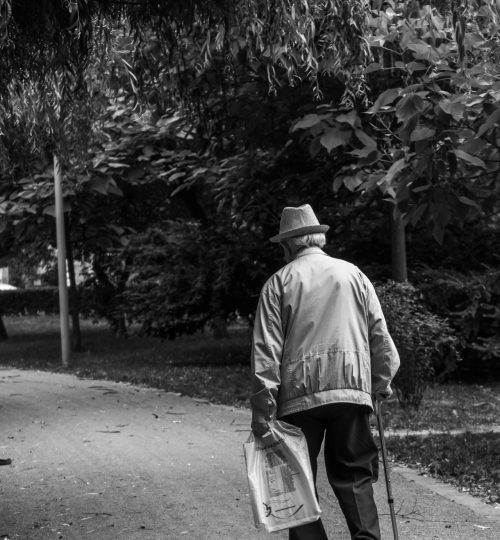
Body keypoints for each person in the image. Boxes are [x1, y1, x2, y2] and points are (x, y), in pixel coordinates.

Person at [250, 204, 400, 540]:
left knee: (297, 482)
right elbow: (380, 335)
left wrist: (263, 413)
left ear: (289, 245)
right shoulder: (354, 275)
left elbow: (266, 354)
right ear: (317, 238)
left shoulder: (278, 284)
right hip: (351, 392)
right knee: (356, 476)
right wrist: (380, 384)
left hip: (298, 398)